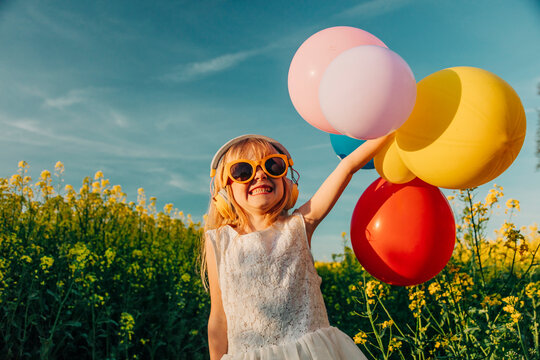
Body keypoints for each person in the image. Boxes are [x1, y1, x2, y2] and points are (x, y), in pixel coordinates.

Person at [202, 134, 391, 359]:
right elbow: (218, 317)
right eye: (243, 171)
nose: (260, 174)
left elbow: (348, 166)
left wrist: (393, 128)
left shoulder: (300, 224)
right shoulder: (218, 240)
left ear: (288, 181)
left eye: (273, 166)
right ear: (225, 190)